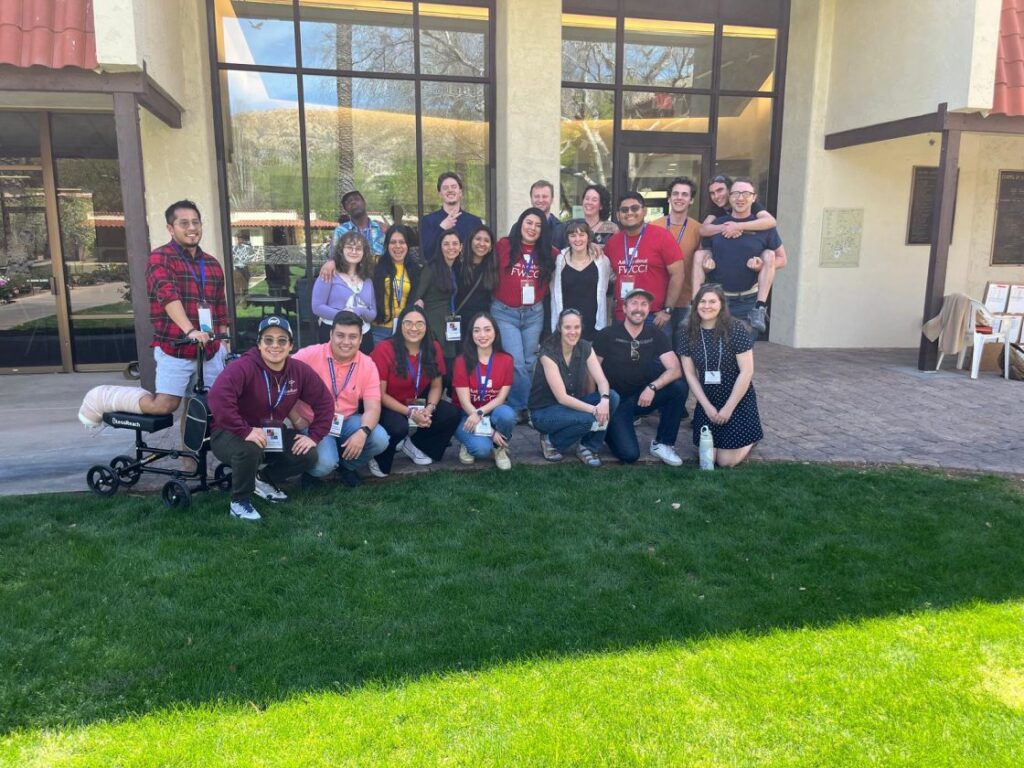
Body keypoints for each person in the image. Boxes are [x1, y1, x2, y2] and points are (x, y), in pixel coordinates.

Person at [78, 200, 230, 426]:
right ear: (171, 228)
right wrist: (190, 331)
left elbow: (219, 305)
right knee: (165, 405)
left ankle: (189, 451)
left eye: (196, 222)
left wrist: (224, 343)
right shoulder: (160, 258)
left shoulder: (212, 264)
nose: (192, 228)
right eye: (184, 223)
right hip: (175, 347)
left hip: (209, 349)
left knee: (204, 409)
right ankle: (102, 397)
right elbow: (168, 296)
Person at [208, 316, 334, 521]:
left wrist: (314, 436)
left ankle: (263, 479)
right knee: (251, 447)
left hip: (270, 432)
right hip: (229, 432)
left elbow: (325, 402)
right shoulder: (243, 367)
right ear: (259, 344)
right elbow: (218, 397)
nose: (275, 345)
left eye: (282, 340)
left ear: (290, 346)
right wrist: (245, 431)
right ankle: (239, 501)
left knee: (308, 453)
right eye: (268, 340)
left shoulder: (298, 370)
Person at [291, 310, 389, 487]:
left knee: (380, 438)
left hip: (346, 421)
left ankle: (347, 467)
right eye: (340, 335)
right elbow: (281, 382)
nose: (346, 342)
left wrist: (363, 432)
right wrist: (296, 419)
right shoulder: (308, 356)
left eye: (352, 337)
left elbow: (373, 407)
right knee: (325, 464)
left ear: (361, 339)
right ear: (331, 334)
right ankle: (312, 471)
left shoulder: (367, 364)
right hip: (314, 422)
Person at [594, 288, 688, 466]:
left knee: (679, 387)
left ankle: (663, 443)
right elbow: (592, 371)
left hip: (641, 398)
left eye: (644, 304)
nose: (639, 308)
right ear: (625, 308)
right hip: (615, 402)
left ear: (649, 309)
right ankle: (608, 429)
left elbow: (675, 369)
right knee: (629, 455)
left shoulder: (655, 334)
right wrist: (596, 405)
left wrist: (652, 387)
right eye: (634, 303)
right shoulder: (607, 334)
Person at [678, 284, 763, 467]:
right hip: (708, 399)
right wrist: (706, 407)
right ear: (696, 305)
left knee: (725, 462)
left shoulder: (736, 329)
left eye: (712, 302)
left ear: (721, 304)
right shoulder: (687, 332)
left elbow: (747, 371)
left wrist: (728, 408)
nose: (707, 306)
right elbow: (690, 374)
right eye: (702, 301)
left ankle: (751, 440)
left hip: (736, 398)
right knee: (707, 455)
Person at [369, 306, 460, 476]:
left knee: (451, 414)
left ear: (426, 327)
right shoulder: (384, 349)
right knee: (398, 428)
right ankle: (378, 455)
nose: (414, 328)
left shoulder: (433, 347)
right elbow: (380, 394)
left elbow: (436, 386)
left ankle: (415, 444)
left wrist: (429, 408)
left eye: (419, 324)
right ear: (400, 325)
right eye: (408, 323)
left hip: (416, 401)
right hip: (387, 404)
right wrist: (410, 413)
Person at [528, 308, 620, 467]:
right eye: (567, 327)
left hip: (571, 406)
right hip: (545, 412)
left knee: (612, 397)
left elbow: (602, 381)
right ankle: (551, 441)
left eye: (576, 327)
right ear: (559, 328)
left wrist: (604, 401)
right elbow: (562, 398)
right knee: (591, 419)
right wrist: (595, 410)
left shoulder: (585, 347)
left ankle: (588, 447)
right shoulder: (548, 353)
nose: (572, 332)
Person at [694, 178, 787, 335]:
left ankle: (760, 308)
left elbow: (782, 259)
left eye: (746, 194)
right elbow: (703, 246)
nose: (740, 198)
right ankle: (695, 307)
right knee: (715, 348)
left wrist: (762, 266)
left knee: (743, 349)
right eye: (736, 194)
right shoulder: (717, 223)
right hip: (718, 300)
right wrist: (706, 264)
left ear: (754, 197)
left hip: (748, 302)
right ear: (730, 197)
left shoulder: (764, 225)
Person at [491, 207, 558, 418]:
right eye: (529, 223)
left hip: (533, 313)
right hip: (505, 313)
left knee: (530, 361)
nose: (532, 228)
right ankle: (522, 406)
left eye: (538, 225)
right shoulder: (504, 245)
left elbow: (574, 255)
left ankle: (525, 405)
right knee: (516, 361)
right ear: (520, 223)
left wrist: (594, 247)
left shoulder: (550, 253)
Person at [603, 192, 685, 337]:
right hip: (622, 316)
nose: (629, 213)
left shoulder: (662, 236)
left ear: (645, 211)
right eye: (624, 210)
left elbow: (678, 274)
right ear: (618, 215)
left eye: (635, 208)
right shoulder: (612, 243)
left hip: (655, 317)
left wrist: (667, 310)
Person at [452, 312, 516, 470]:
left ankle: (499, 449)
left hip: (490, 412)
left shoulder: (507, 360)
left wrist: (480, 414)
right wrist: (491, 433)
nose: (482, 335)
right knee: (481, 450)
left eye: (487, 329)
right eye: (477, 330)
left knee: (507, 414)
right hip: (467, 415)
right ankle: (468, 442)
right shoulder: (461, 361)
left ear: (495, 332)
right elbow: (465, 403)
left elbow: (501, 398)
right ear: (471, 334)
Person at [311, 230, 376, 353]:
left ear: (364, 253)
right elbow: (317, 307)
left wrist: (359, 311)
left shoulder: (367, 280)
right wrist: (344, 315)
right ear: (341, 250)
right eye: (349, 247)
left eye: (358, 248)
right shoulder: (328, 274)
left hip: (363, 336)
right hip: (333, 334)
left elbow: (372, 313)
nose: (354, 251)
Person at [550, 219, 612, 341]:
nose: (577, 239)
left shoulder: (601, 261)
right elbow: (553, 290)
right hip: (568, 324)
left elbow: (610, 280)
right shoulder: (559, 260)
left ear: (588, 237)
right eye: (573, 235)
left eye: (582, 235)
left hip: (593, 323)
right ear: (567, 239)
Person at [650, 177, 701, 325]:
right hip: (658, 303)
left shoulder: (698, 229)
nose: (679, 198)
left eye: (685, 194)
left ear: (691, 200)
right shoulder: (653, 227)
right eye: (675, 193)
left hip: (686, 303)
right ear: (669, 198)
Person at [413, 230, 462, 379]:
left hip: (448, 324)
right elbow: (418, 297)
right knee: (437, 367)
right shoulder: (431, 268)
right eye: (446, 244)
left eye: (454, 244)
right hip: (434, 326)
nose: (451, 247)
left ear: (461, 247)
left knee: (449, 368)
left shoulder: (455, 268)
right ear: (440, 247)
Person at [370, 224, 422, 346]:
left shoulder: (414, 269)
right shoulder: (376, 264)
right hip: (379, 330)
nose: (397, 246)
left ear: (407, 245)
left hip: (405, 329)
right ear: (387, 245)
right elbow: (351, 263)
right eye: (393, 242)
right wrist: (331, 263)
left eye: (402, 242)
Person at [419, 172, 483, 266]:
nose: (450, 190)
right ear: (440, 194)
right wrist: (442, 228)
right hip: (439, 273)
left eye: (454, 187)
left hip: (467, 273)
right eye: (445, 188)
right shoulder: (428, 221)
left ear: (460, 192)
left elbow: (479, 254)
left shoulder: (474, 222)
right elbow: (427, 254)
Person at [454, 224, 498, 322]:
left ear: (491, 247)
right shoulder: (457, 266)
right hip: (459, 321)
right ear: (470, 241)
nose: (482, 243)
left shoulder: (493, 269)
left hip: (482, 323)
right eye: (478, 239)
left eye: (486, 241)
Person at [509, 180, 567, 251]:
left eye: (544, 196)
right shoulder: (518, 227)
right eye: (536, 196)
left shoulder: (562, 230)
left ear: (552, 199)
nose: (540, 200)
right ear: (531, 199)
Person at [331, 189, 385, 256]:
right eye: (348, 201)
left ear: (364, 203)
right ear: (345, 209)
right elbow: (333, 258)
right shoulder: (340, 231)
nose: (353, 202)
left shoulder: (381, 228)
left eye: (356, 199)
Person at [580, 183, 619, 252]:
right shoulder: (575, 226)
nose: (589, 202)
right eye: (587, 199)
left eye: (594, 200)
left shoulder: (612, 229)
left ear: (601, 205)